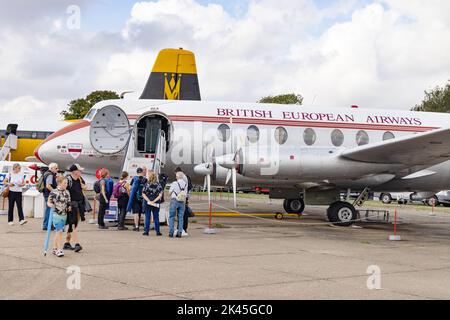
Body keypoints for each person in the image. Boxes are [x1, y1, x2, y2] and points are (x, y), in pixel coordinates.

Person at [47, 176, 71, 257]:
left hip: (64, 215)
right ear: (59, 183)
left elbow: (68, 202)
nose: (66, 184)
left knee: (58, 232)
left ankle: (54, 248)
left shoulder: (67, 192)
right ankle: (59, 250)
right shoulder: (53, 192)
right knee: (59, 231)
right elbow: (49, 202)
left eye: (67, 183)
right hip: (56, 214)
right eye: (65, 183)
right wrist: (50, 204)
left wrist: (69, 207)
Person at [65, 164, 85, 252]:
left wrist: (83, 186)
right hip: (72, 205)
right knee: (73, 225)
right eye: (79, 170)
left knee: (73, 225)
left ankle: (67, 243)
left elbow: (84, 187)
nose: (81, 172)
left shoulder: (80, 179)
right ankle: (77, 243)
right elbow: (63, 191)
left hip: (79, 205)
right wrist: (68, 205)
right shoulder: (68, 180)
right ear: (75, 171)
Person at [142, 171, 163, 236]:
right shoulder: (159, 185)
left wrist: (149, 201)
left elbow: (143, 194)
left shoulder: (147, 184)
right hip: (156, 202)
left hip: (147, 202)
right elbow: (160, 195)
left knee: (147, 217)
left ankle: (146, 231)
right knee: (156, 217)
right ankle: (158, 231)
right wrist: (154, 201)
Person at [126, 167, 147, 231]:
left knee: (136, 212)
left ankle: (136, 226)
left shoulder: (134, 179)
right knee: (142, 212)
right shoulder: (145, 179)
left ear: (137, 172)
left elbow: (130, 188)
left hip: (135, 197)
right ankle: (145, 226)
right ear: (142, 172)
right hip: (143, 198)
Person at [168, 171, 187, 238]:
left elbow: (169, 193)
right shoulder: (185, 184)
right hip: (182, 201)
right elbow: (185, 193)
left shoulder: (174, 183)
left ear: (177, 177)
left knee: (171, 217)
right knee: (181, 217)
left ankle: (171, 232)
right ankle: (179, 233)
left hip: (174, 200)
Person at [174, 167, 192, 236]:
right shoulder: (185, 177)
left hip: (182, 197)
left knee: (182, 214)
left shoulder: (182, 178)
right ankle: (183, 228)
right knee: (183, 213)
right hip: (185, 197)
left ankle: (182, 228)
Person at [42, 163, 58, 231]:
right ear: (51, 168)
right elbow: (48, 186)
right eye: (56, 168)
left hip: (46, 194)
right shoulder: (50, 175)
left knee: (48, 210)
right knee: (49, 210)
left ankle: (48, 225)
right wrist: (55, 192)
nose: (57, 169)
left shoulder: (46, 173)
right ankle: (47, 225)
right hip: (49, 195)